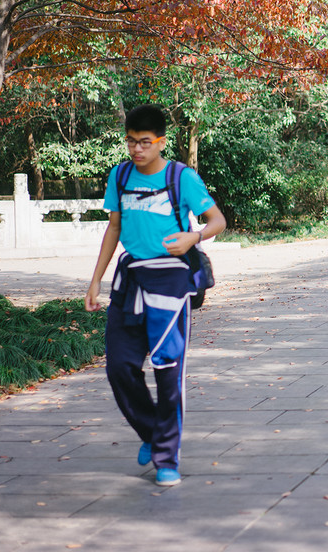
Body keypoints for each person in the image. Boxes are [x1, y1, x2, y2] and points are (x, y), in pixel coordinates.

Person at [85, 105, 227, 487]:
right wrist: (95, 280)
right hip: (129, 281)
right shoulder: (120, 176)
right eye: (130, 141)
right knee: (119, 367)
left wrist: (193, 237)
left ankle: (167, 457)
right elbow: (114, 228)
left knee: (168, 371)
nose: (136, 149)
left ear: (160, 142)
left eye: (144, 143)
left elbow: (218, 220)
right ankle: (150, 431)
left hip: (170, 283)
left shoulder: (181, 177)